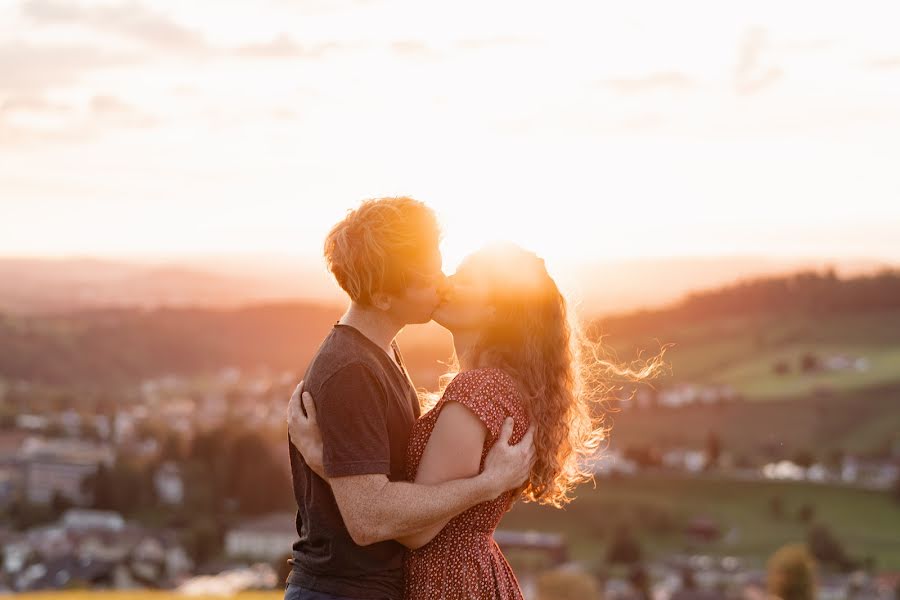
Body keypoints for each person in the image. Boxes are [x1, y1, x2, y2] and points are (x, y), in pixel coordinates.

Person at [291, 242, 667, 599]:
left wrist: (327, 461)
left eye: (464, 279)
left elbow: (417, 534)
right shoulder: (499, 386)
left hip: (446, 580)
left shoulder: (478, 391)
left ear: (494, 310)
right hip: (468, 573)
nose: (445, 283)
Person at [284, 198, 536, 600]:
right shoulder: (351, 370)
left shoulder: (381, 352)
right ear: (384, 296)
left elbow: (379, 488)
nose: (442, 281)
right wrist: (487, 484)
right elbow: (367, 518)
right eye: (428, 275)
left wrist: (324, 461)